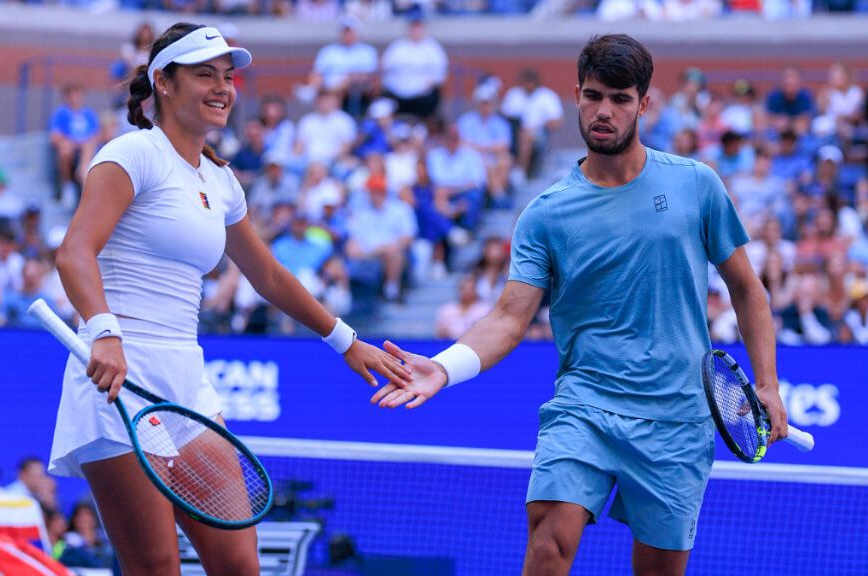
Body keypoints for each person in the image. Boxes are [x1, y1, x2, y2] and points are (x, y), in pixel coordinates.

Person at [372, 34, 789, 576]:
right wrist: (445, 368)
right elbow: (507, 317)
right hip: (584, 407)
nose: (604, 111)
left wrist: (768, 384)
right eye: (594, 96)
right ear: (576, 95)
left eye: (620, 98)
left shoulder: (696, 185)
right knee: (548, 546)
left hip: (677, 419)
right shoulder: (546, 214)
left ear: (643, 104)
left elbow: (747, 290)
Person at [50, 23, 410, 576]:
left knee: (241, 564)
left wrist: (346, 340)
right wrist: (103, 331)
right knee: (155, 568)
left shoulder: (220, 179)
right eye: (204, 75)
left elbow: (265, 272)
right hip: (116, 377)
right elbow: (75, 252)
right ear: (162, 84)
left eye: (227, 76)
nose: (222, 88)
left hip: (186, 380)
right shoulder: (130, 154)